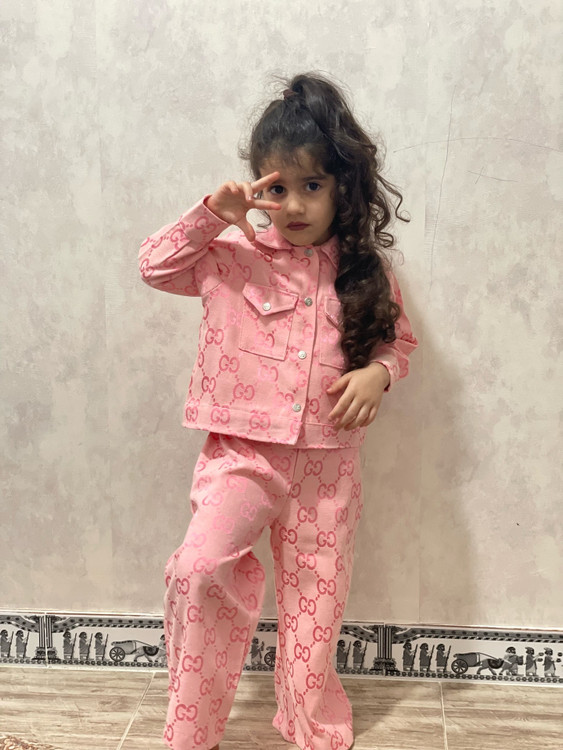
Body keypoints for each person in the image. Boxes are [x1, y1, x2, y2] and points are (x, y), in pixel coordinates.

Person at [138, 71, 418, 750]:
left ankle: (309, 721)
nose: (293, 205)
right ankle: (191, 730)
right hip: (241, 455)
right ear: (257, 186)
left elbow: (397, 341)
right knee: (199, 569)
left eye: (311, 185)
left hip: (328, 463)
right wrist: (213, 213)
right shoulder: (229, 256)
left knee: (316, 601)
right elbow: (154, 266)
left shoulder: (364, 270)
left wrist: (378, 373)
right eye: (277, 187)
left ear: (341, 185)